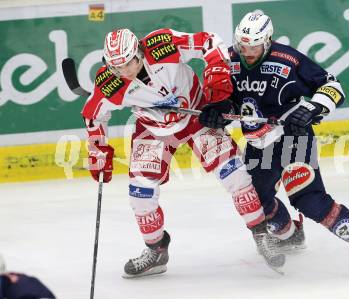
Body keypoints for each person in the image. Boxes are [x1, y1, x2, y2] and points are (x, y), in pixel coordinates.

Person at [81, 27, 286, 277]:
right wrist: (99, 154)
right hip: (153, 129)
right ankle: (156, 252)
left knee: (235, 176)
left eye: (127, 64)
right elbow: (94, 115)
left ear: (139, 53)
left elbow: (208, 42)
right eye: (116, 67)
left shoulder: (162, 43)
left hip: (198, 117)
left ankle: (262, 234)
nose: (123, 72)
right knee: (140, 194)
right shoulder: (110, 82)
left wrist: (217, 89)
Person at [198, 12, 349, 275]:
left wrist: (312, 108)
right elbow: (226, 99)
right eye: (242, 45)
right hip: (258, 144)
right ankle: (290, 235)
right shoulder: (229, 60)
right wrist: (216, 110)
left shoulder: (288, 58)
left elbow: (332, 86)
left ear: (268, 40)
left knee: (310, 201)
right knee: (256, 201)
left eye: (253, 46)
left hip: (294, 140)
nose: (247, 51)